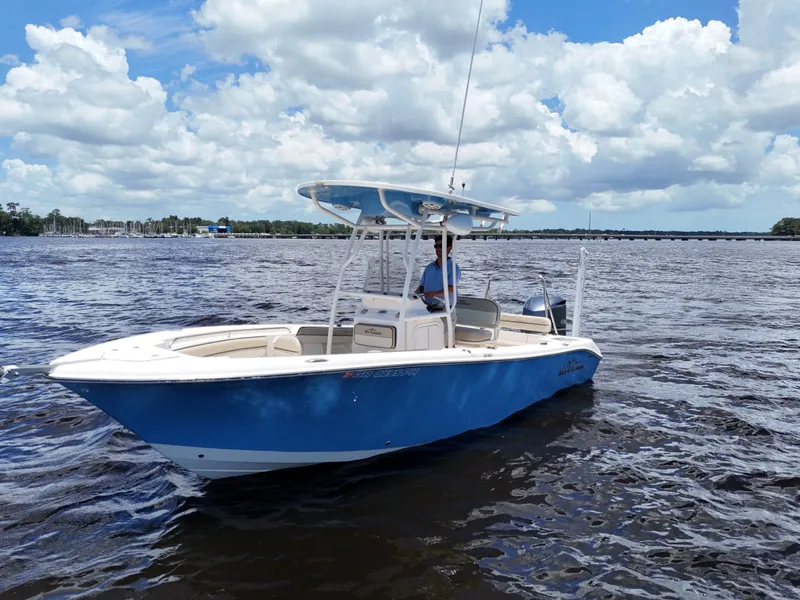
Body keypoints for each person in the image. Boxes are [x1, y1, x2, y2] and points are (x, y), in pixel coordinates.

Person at [416, 235, 461, 310]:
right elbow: (421, 287)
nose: (438, 248)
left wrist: (434, 294)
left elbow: (451, 288)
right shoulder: (428, 268)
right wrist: (412, 297)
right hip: (426, 308)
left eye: (441, 246)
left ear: (449, 249)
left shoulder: (454, 268)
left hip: (445, 309)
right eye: (436, 246)